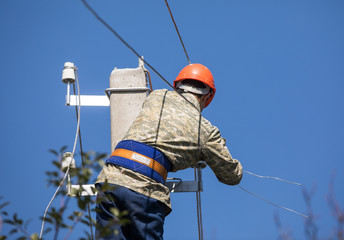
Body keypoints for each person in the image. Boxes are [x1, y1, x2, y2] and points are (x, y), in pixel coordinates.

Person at [95, 63, 243, 240]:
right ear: (207, 97)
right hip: (144, 189)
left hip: (110, 179)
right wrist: (203, 153)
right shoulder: (205, 131)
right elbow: (232, 176)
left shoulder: (157, 96)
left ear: (177, 85)